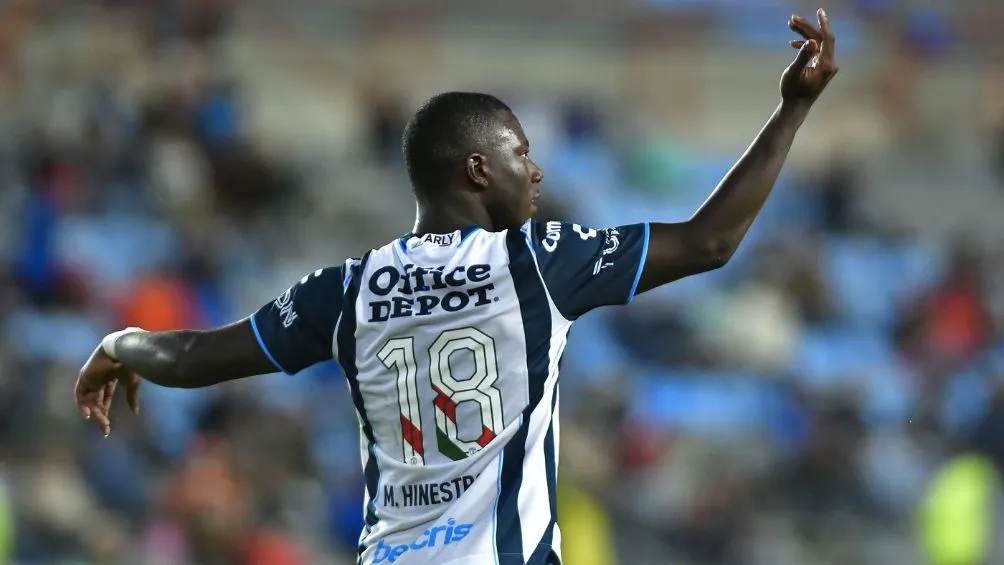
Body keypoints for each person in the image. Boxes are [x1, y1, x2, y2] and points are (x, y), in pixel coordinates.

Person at [75, 10, 838, 565]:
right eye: (520, 153)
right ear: (478, 169)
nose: (535, 171)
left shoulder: (347, 290)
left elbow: (192, 356)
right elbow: (709, 241)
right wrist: (793, 108)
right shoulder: (535, 262)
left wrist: (120, 342)